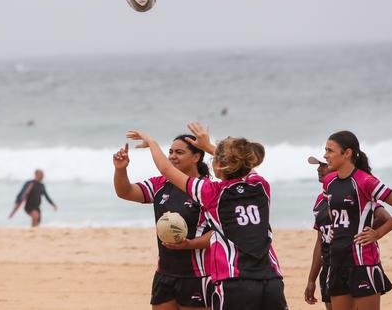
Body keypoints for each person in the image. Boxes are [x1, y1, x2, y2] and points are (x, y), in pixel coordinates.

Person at [127, 122, 288, 310]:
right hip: (270, 278)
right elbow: (245, 168)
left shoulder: (211, 192)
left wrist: (152, 142)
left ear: (219, 165)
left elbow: (166, 171)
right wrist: (208, 147)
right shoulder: (261, 186)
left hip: (234, 281)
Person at [113, 135, 213, 310]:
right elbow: (125, 192)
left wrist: (189, 244)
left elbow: (218, 235)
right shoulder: (160, 184)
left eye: (179, 152)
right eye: (171, 151)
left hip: (197, 276)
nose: (173, 156)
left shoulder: (207, 189)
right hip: (165, 274)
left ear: (196, 157)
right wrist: (120, 169)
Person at [322, 131, 392, 310]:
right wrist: (334, 228)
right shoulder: (328, 181)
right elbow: (332, 212)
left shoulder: (366, 182)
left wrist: (377, 233)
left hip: (363, 263)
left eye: (330, 150)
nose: (325, 155)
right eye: (325, 150)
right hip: (337, 261)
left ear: (347, 153)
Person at [304, 156, 391, 309]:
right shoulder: (320, 200)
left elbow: (384, 216)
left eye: (324, 165)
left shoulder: (357, 192)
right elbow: (320, 241)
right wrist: (311, 279)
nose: (319, 169)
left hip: (355, 262)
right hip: (330, 266)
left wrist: (361, 233)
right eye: (319, 165)